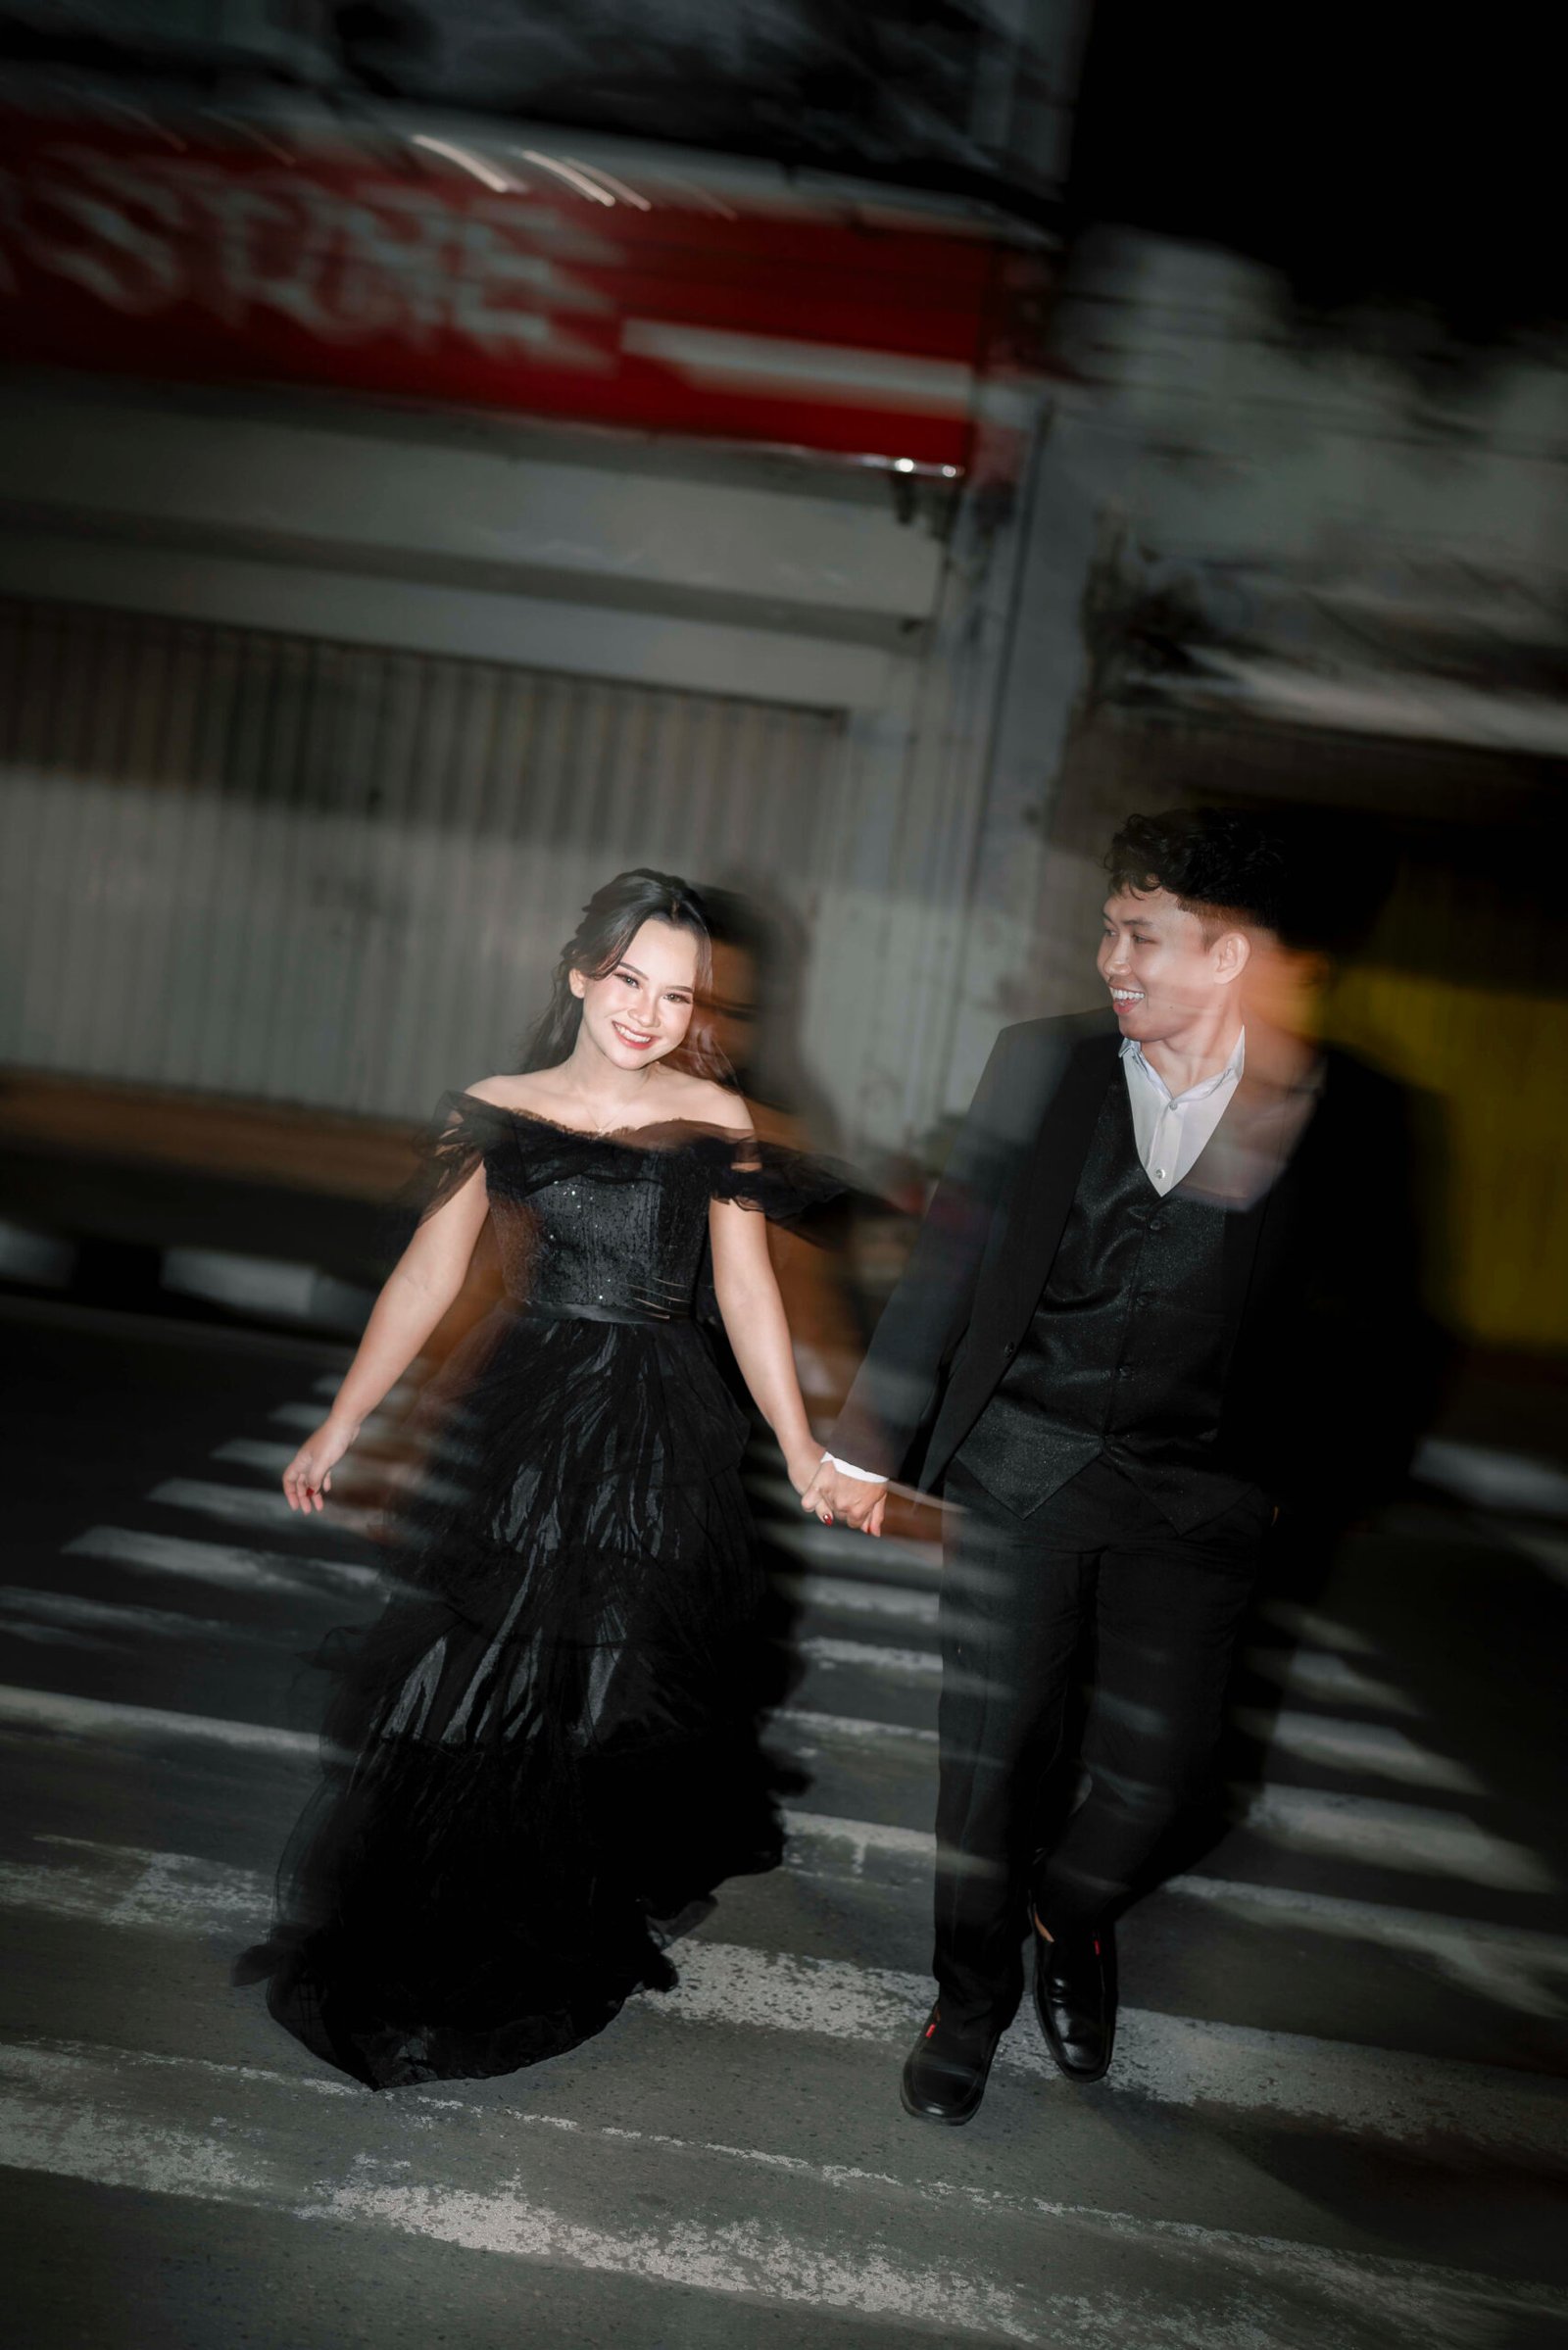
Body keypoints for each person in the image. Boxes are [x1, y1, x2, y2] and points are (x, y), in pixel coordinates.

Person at [802, 808, 1430, 2124]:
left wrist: (1315, 1481)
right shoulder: (1046, 1064)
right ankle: (966, 2001)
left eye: (1142, 934)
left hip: (1202, 1491)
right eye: (1108, 928)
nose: (1110, 958)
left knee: (1174, 1781)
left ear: (1228, 953)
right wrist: (866, 1444)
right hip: (1023, 1460)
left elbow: (1382, 1329)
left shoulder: (1347, 1110)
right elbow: (954, 1258)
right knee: (994, 1758)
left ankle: (1069, 1910)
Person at [249, 869, 839, 2090]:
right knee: (493, 1671)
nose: (648, 1012)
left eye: (676, 996)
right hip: (527, 1415)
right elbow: (428, 1272)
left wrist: (798, 1447)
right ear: (579, 974)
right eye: (628, 979)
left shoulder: (711, 1115)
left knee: (614, 1681)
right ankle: (475, 1905)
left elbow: (744, 1292)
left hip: (656, 1425)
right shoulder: (499, 1109)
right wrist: (341, 1424)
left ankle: (570, 1877)